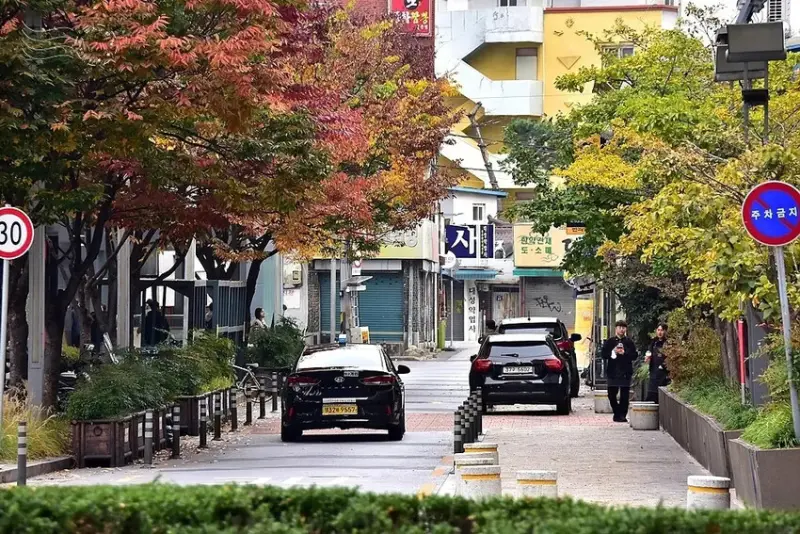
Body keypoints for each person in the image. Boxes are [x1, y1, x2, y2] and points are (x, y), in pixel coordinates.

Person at [601, 320, 638, 423]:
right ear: (616, 329)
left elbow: (634, 355)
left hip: (625, 371)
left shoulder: (629, 342)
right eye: (620, 327)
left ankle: (622, 415)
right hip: (612, 371)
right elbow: (603, 354)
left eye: (623, 328)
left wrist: (624, 353)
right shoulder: (610, 341)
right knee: (611, 394)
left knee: (624, 396)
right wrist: (613, 352)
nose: (622, 330)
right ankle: (616, 412)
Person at [645, 323, 669, 402]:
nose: (660, 332)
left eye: (661, 330)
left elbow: (670, 358)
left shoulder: (668, 343)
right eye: (658, 330)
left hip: (663, 373)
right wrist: (647, 358)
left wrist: (662, 366)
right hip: (653, 371)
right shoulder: (653, 342)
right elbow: (649, 352)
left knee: (660, 396)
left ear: (665, 331)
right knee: (651, 394)